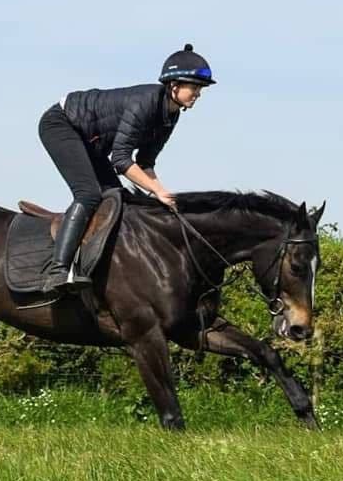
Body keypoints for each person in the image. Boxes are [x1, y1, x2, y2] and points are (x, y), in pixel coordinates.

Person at [37, 43, 215, 297]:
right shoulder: (146, 102)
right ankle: (58, 270)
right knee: (88, 194)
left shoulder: (170, 115)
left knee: (119, 200)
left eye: (200, 89)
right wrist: (157, 191)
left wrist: (164, 194)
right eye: (194, 87)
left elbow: (145, 163)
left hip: (92, 142)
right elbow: (121, 160)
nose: (198, 94)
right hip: (62, 124)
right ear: (174, 85)